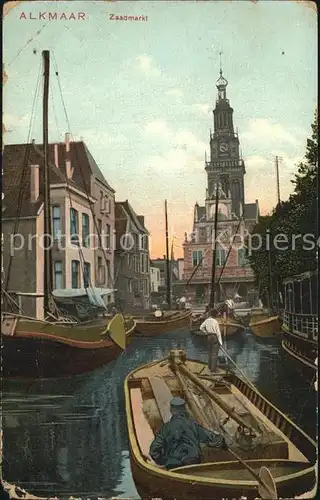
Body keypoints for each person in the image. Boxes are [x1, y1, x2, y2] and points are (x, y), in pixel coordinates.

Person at [149, 397, 227, 469]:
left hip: (174, 466)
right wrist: (224, 443)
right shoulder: (193, 425)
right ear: (184, 409)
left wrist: (164, 460)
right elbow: (213, 439)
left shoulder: (165, 428)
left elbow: (154, 450)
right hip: (193, 464)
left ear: (171, 410)